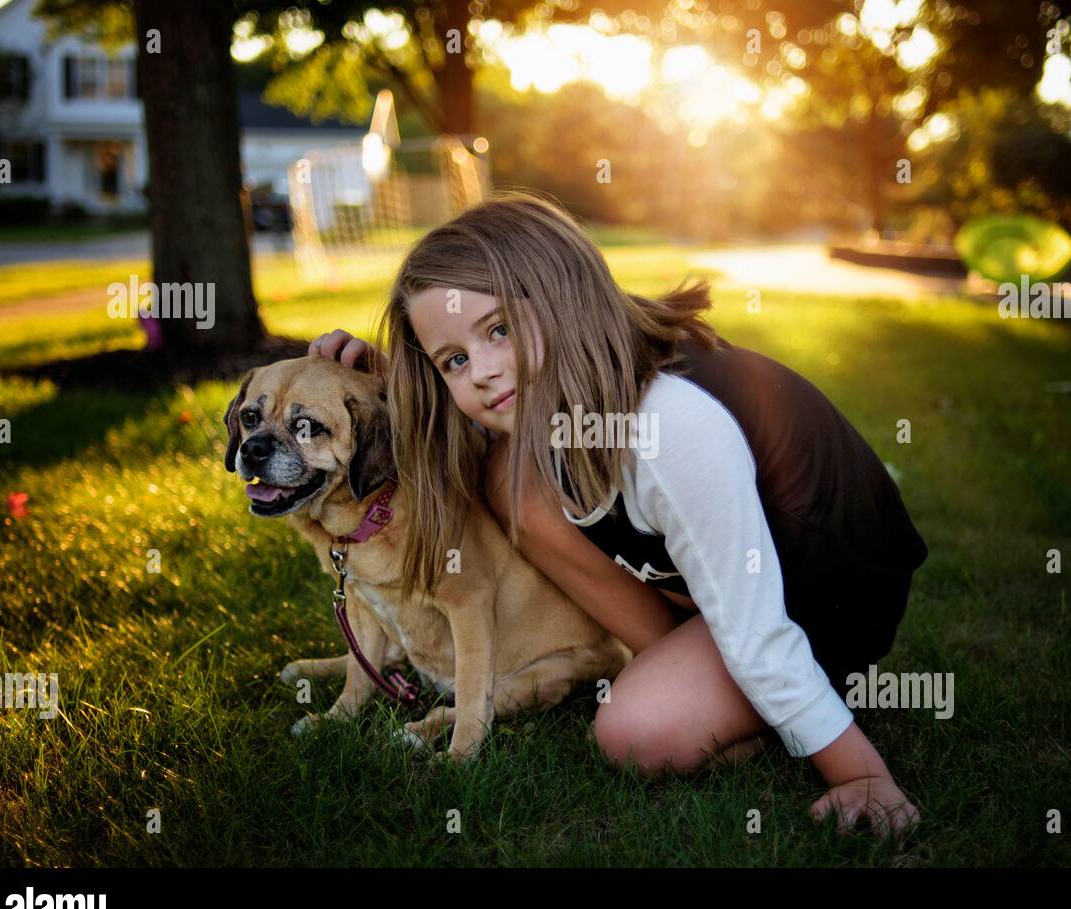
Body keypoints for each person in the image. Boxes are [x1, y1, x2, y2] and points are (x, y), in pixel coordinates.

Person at [310, 191, 928, 840]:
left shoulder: (669, 425)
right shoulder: (555, 401)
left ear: (562, 293)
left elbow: (757, 629)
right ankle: (677, 667)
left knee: (631, 732)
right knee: (508, 480)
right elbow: (456, 439)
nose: (485, 372)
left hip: (823, 596)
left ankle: (760, 701)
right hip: (714, 586)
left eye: (498, 329)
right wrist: (379, 383)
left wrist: (859, 775)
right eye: (454, 360)